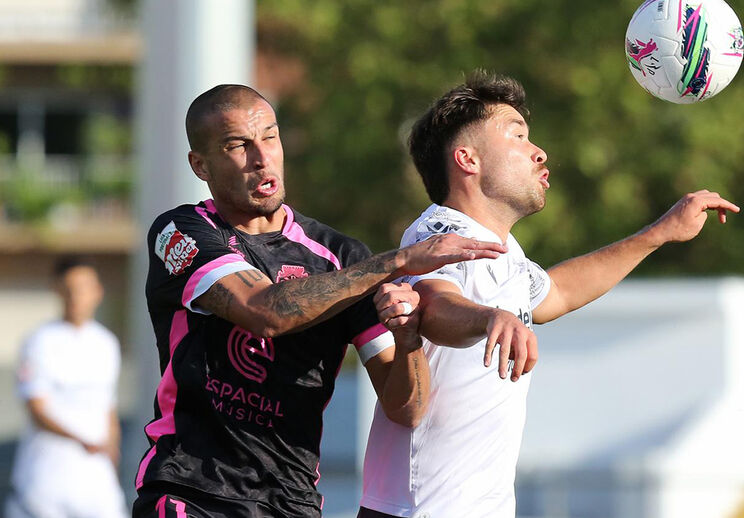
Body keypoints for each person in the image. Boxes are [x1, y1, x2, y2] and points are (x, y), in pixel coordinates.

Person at [359, 71, 741, 518]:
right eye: (517, 135)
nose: (538, 152)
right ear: (467, 159)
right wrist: (490, 318)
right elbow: (434, 306)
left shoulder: (505, 251)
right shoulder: (438, 232)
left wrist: (660, 233)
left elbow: (558, 291)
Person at [132, 84, 505, 518]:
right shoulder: (181, 231)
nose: (261, 157)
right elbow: (264, 311)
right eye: (238, 145)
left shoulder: (342, 257)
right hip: (193, 493)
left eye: (270, 137)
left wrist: (408, 339)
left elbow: (406, 409)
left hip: (294, 504)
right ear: (200, 165)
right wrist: (399, 260)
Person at [6, 257, 128, 518]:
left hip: (96, 483)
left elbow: (107, 407)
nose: (76, 297)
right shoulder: (39, 341)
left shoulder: (106, 343)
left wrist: (111, 453)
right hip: (45, 483)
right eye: (69, 289)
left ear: (97, 292)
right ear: (58, 291)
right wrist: (82, 440)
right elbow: (36, 409)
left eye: (83, 288)